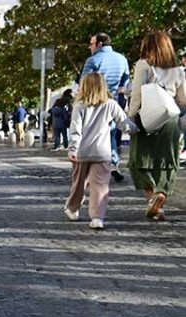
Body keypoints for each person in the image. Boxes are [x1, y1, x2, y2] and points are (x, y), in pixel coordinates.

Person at [127, 31, 186, 221]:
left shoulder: (143, 65)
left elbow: (136, 95)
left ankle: (153, 197)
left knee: (140, 160)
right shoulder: (178, 70)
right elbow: (183, 99)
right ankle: (161, 195)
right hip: (169, 120)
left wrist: (130, 117)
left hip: (146, 117)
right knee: (167, 162)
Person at [65, 73, 135, 230]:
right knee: (100, 185)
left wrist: (72, 149)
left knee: (79, 183)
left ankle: (73, 209)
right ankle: (97, 217)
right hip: (102, 152)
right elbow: (124, 124)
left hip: (82, 152)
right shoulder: (110, 104)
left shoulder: (79, 106)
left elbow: (75, 130)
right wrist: (137, 129)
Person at [80, 32, 130, 183]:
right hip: (115, 100)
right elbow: (126, 81)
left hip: (95, 101)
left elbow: (84, 82)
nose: (90, 47)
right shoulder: (122, 59)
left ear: (99, 44)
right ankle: (113, 163)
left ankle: (94, 166)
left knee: (95, 132)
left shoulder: (93, 60)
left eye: (91, 44)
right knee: (113, 133)